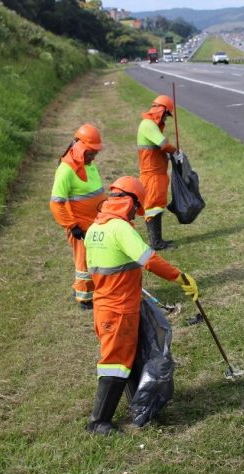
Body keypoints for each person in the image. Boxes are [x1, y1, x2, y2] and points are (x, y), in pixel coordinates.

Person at [83, 175, 198, 434]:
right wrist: (178, 276)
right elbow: (150, 260)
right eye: (136, 208)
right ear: (131, 202)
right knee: (114, 362)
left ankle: (140, 403)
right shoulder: (120, 229)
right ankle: (99, 421)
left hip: (106, 305)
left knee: (127, 358)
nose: (135, 214)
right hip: (119, 309)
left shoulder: (95, 229)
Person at [49, 124, 107, 310]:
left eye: (95, 153)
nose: (94, 157)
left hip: (96, 223)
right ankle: (84, 298)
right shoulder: (66, 170)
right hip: (81, 227)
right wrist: (72, 226)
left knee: (97, 259)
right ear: (80, 148)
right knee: (84, 263)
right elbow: (56, 203)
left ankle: (91, 289)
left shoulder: (88, 164)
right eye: (91, 152)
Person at [137, 95, 180, 250]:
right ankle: (155, 243)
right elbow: (163, 144)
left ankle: (158, 240)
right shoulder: (148, 125)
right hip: (152, 175)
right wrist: (176, 152)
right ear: (161, 111)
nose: (166, 119)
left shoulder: (151, 125)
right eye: (166, 115)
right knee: (153, 207)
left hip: (157, 173)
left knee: (157, 206)